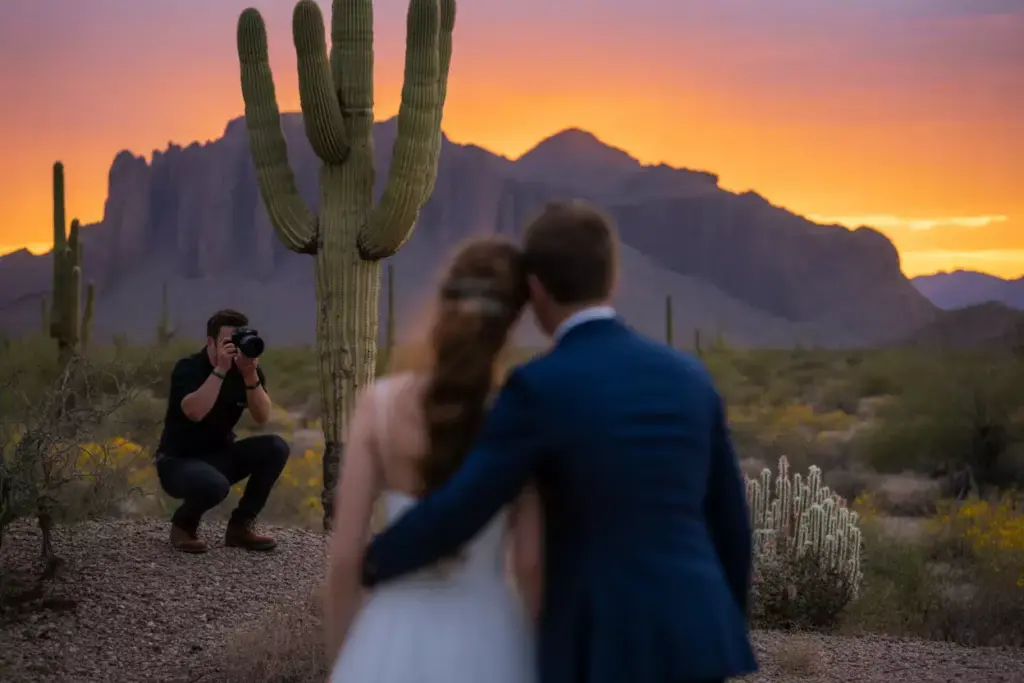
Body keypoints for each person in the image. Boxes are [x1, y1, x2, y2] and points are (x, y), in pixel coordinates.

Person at [360, 201, 758, 683]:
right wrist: (721, 623)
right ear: (612, 278)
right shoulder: (690, 378)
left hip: (601, 642)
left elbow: (465, 504)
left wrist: (375, 559)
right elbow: (731, 523)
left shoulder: (539, 386)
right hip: (698, 634)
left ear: (535, 289)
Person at [324, 237, 539, 683]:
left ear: (443, 303)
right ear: (513, 321)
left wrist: (344, 656)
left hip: (390, 639)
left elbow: (345, 559)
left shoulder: (378, 407)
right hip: (491, 641)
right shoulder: (521, 418)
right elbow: (531, 564)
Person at [155, 309, 289, 553]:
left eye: (238, 342)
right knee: (214, 484)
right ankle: (184, 525)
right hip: (178, 461)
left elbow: (262, 417)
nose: (234, 348)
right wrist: (221, 370)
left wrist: (249, 374)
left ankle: (240, 527)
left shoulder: (246, 371)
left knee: (276, 447)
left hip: (219, 456)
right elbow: (195, 412)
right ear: (210, 342)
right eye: (228, 343)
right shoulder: (188, 368)